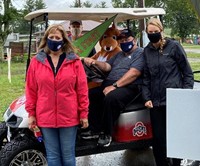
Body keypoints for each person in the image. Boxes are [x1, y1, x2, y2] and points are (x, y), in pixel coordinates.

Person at [25, 24, 89, 166]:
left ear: (63, 40)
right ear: (46, 39)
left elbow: (82, 89)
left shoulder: (74, 61)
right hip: (45, 117)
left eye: (57, 37)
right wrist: (31, 114)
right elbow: (30, 89)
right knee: (53, 158)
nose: (54, 40)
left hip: (69, 117)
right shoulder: (36, 61)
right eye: (51, 37)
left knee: (68, 157)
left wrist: (83, 113)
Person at [142, 18, 194, 166]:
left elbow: (187, 73)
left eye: (155, 32)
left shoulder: (174, 47)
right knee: (158, 139)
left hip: (174, 100)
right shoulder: (147, 51)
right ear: (147, 33)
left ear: (161, 31)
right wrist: (146, 97)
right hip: (155, 103)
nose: (153, 34)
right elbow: (146, 78)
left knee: (175, 138)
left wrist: (184, 95)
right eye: (150, 32)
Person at [83, 29, 144, 147]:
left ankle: (106, 133)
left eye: (127, 39)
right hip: (111, 83)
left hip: (129, 86)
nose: (124, 42)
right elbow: (107, 66)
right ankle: (95, 129)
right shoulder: (119, 54)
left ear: (134, 40)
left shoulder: (140, 53)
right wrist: (94, 62)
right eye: (122, 40)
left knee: (111, 98)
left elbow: (134, 73)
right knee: (91, 94)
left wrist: (114, 86)